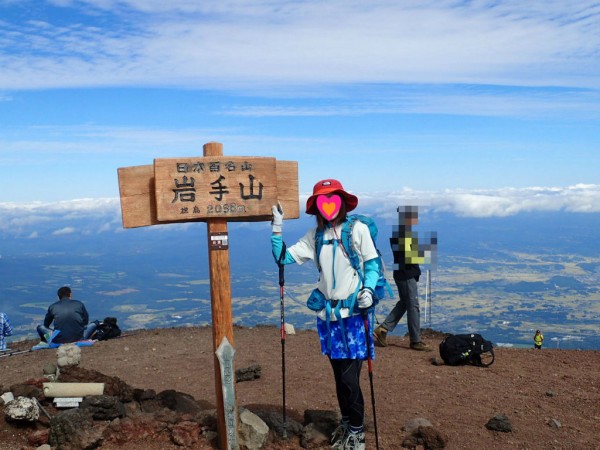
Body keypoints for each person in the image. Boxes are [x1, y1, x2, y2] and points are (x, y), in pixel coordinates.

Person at [271, 179, 378, 450]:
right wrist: (276, 225)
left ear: (342, 202)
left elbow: (372, 264)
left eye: (333, 198)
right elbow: (283, 257)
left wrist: (368, 290)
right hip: (328, 317)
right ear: (317, 207)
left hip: (354, 315)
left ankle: (357, 434)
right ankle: (347, 423)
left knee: (348, 378)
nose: (328, 204)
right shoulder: (315, 236)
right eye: (323, 200)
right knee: (338, 374)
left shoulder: (358, 230)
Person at [373, 206, 434, 351]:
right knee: (413, 306)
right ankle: (416, 341)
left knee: (404, 303)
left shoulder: (402, 233)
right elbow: (409, 257)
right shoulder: (404, 234)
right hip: (406, 275)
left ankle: (383, 329)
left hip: (402, 273)